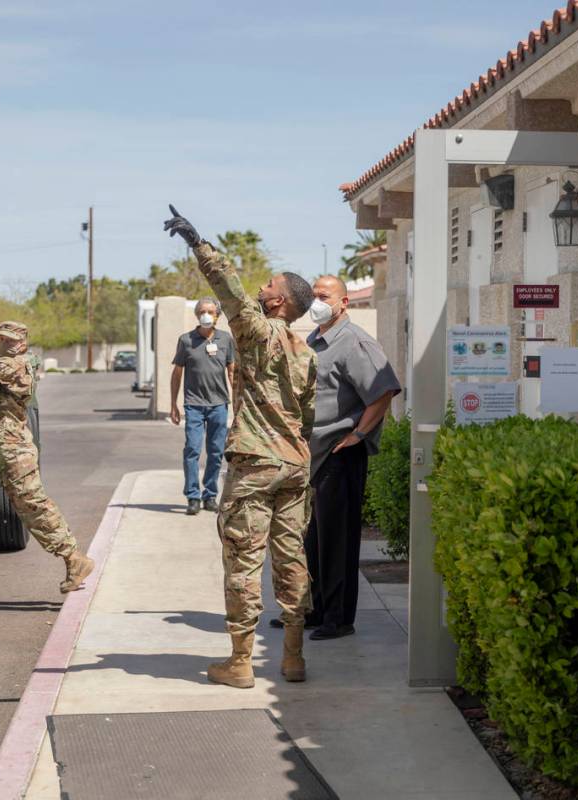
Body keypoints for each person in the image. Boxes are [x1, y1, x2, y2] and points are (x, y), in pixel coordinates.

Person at [164, 205, 317, 689]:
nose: (262, 287)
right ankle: (293, 659)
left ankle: (241, 661)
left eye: (270, 285)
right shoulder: (306, 352)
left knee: (243, 560)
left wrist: (197, 243)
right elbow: (308, 415)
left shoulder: (255, 331)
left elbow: (227, 286)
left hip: (255, 464)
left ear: (279, 303)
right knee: (292, 559)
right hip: (295, 466)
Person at [0, 321, 94, 594]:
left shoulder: (17, 366)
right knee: (29, 506)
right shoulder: (2, 361)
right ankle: (72, 557)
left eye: (11, 340)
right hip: (10, 449)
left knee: (34, 505)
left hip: (16, 451)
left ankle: (74, 558)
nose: (5, 343)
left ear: (22, 345)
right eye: (2, 338)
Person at [296, 275, 401, 640]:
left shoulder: (354, 342)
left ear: (344, 303)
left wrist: (358, 434)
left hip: (340, 453)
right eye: (313, 295)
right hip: (316, 454)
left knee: (337, 540)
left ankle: (338, 619)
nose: (316, 301)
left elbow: (384, 390)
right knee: (314, 540)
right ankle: (316, 610)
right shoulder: (317, 340)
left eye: (324, 296)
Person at [170, 298, 236, 515]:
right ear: (196, 315)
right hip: (194, 405)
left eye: (210, 311)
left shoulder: (225, 339)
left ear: (218, 315)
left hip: (219, 404)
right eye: (202, 311)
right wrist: (174, 404)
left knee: (216, 452)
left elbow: (232, 372)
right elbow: (177, 372)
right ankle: (192, 496)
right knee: (192, 450)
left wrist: (238, 403)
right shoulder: (186, 340)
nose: (206, 315)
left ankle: (210, 495)